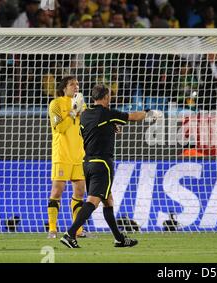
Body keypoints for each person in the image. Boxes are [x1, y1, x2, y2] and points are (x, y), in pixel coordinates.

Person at [60, 84, 163, 248]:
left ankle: (119, 239)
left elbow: (88, 132)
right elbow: (133, 116)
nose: (111, 98)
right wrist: (150, 113)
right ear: (106, 97)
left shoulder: (85, 115)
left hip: (87, 163)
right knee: (93, 201)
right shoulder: (107, 113)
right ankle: (70, 234)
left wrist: (109, 128)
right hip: (102, 163)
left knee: (108, 201)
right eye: (109, 95)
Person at [47, 76, 87, 239]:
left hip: (79, 155)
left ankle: (78, 231)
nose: (76, 87)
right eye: (72, 84)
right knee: (57, 191)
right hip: (62, 155)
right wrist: (72, 112)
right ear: (64, 88)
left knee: (80, 191)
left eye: (77, 84)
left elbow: (90, 123)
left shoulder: (82, 105)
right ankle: (52, 229)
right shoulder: (55, 104)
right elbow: (59, 128)